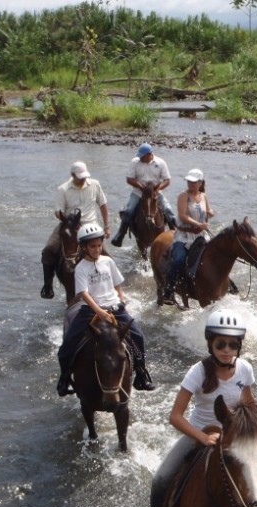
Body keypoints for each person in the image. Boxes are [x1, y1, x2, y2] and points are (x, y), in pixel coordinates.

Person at [141, 309, 257, 507]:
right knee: (162, 478)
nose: (227, 349)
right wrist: (201, 436)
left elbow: (249, 406)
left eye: (233, 344)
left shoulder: (245, 369)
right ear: (211, 344)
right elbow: (175, 416)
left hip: (236, 439)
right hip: (202, 434)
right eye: (221, 344)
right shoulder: (197, 372)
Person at [55, 223, 156, 395]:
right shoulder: (81, 268)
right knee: (68, 345)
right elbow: (84, 294)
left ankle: (141, 373)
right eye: (92, 246)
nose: (96, 249)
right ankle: (65, 379)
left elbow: (117, 284)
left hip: (115, 307)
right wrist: (99, 311)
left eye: (99, 245)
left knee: (138, 336)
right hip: (90, 310)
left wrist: (122, 298)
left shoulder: (108, 261)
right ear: (84, 247)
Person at [40, 160, 110, 299]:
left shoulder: (94, 184)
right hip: (69, 224)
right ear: (72, 175)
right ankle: (47, 286)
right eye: (80, 176)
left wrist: (107, 226)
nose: (83, 178)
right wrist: (67, 219)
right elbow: (58, 211)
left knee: (107, 255)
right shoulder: (63, 189)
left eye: (84, 176)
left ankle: (113, 287)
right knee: (49, 250)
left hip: (92, 226)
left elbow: (102, 204)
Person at [109, 143, 177, 248]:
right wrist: (141, 186)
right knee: (128, 211)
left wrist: (157, 188)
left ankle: (176, 236)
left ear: (149, 154)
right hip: (138, 193)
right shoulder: (134, 162)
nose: (140, 158)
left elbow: (167, 180)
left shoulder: (160, 163)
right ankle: (120, 235)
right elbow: (129, 179)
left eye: (142, 156)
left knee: (168, 210)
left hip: (156, 192)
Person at [163, 168, 214, 304]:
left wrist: (210, 213)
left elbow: (208, 211)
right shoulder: (183, 196)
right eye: (189, 181)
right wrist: (198, 224)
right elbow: (183, 216)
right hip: (184, 236)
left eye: (193, 182)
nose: (190, 184)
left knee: (216, 256)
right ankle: (168, 291)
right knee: (179, 259)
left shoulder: (204, 196)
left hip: (201, 235)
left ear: (200, 182)